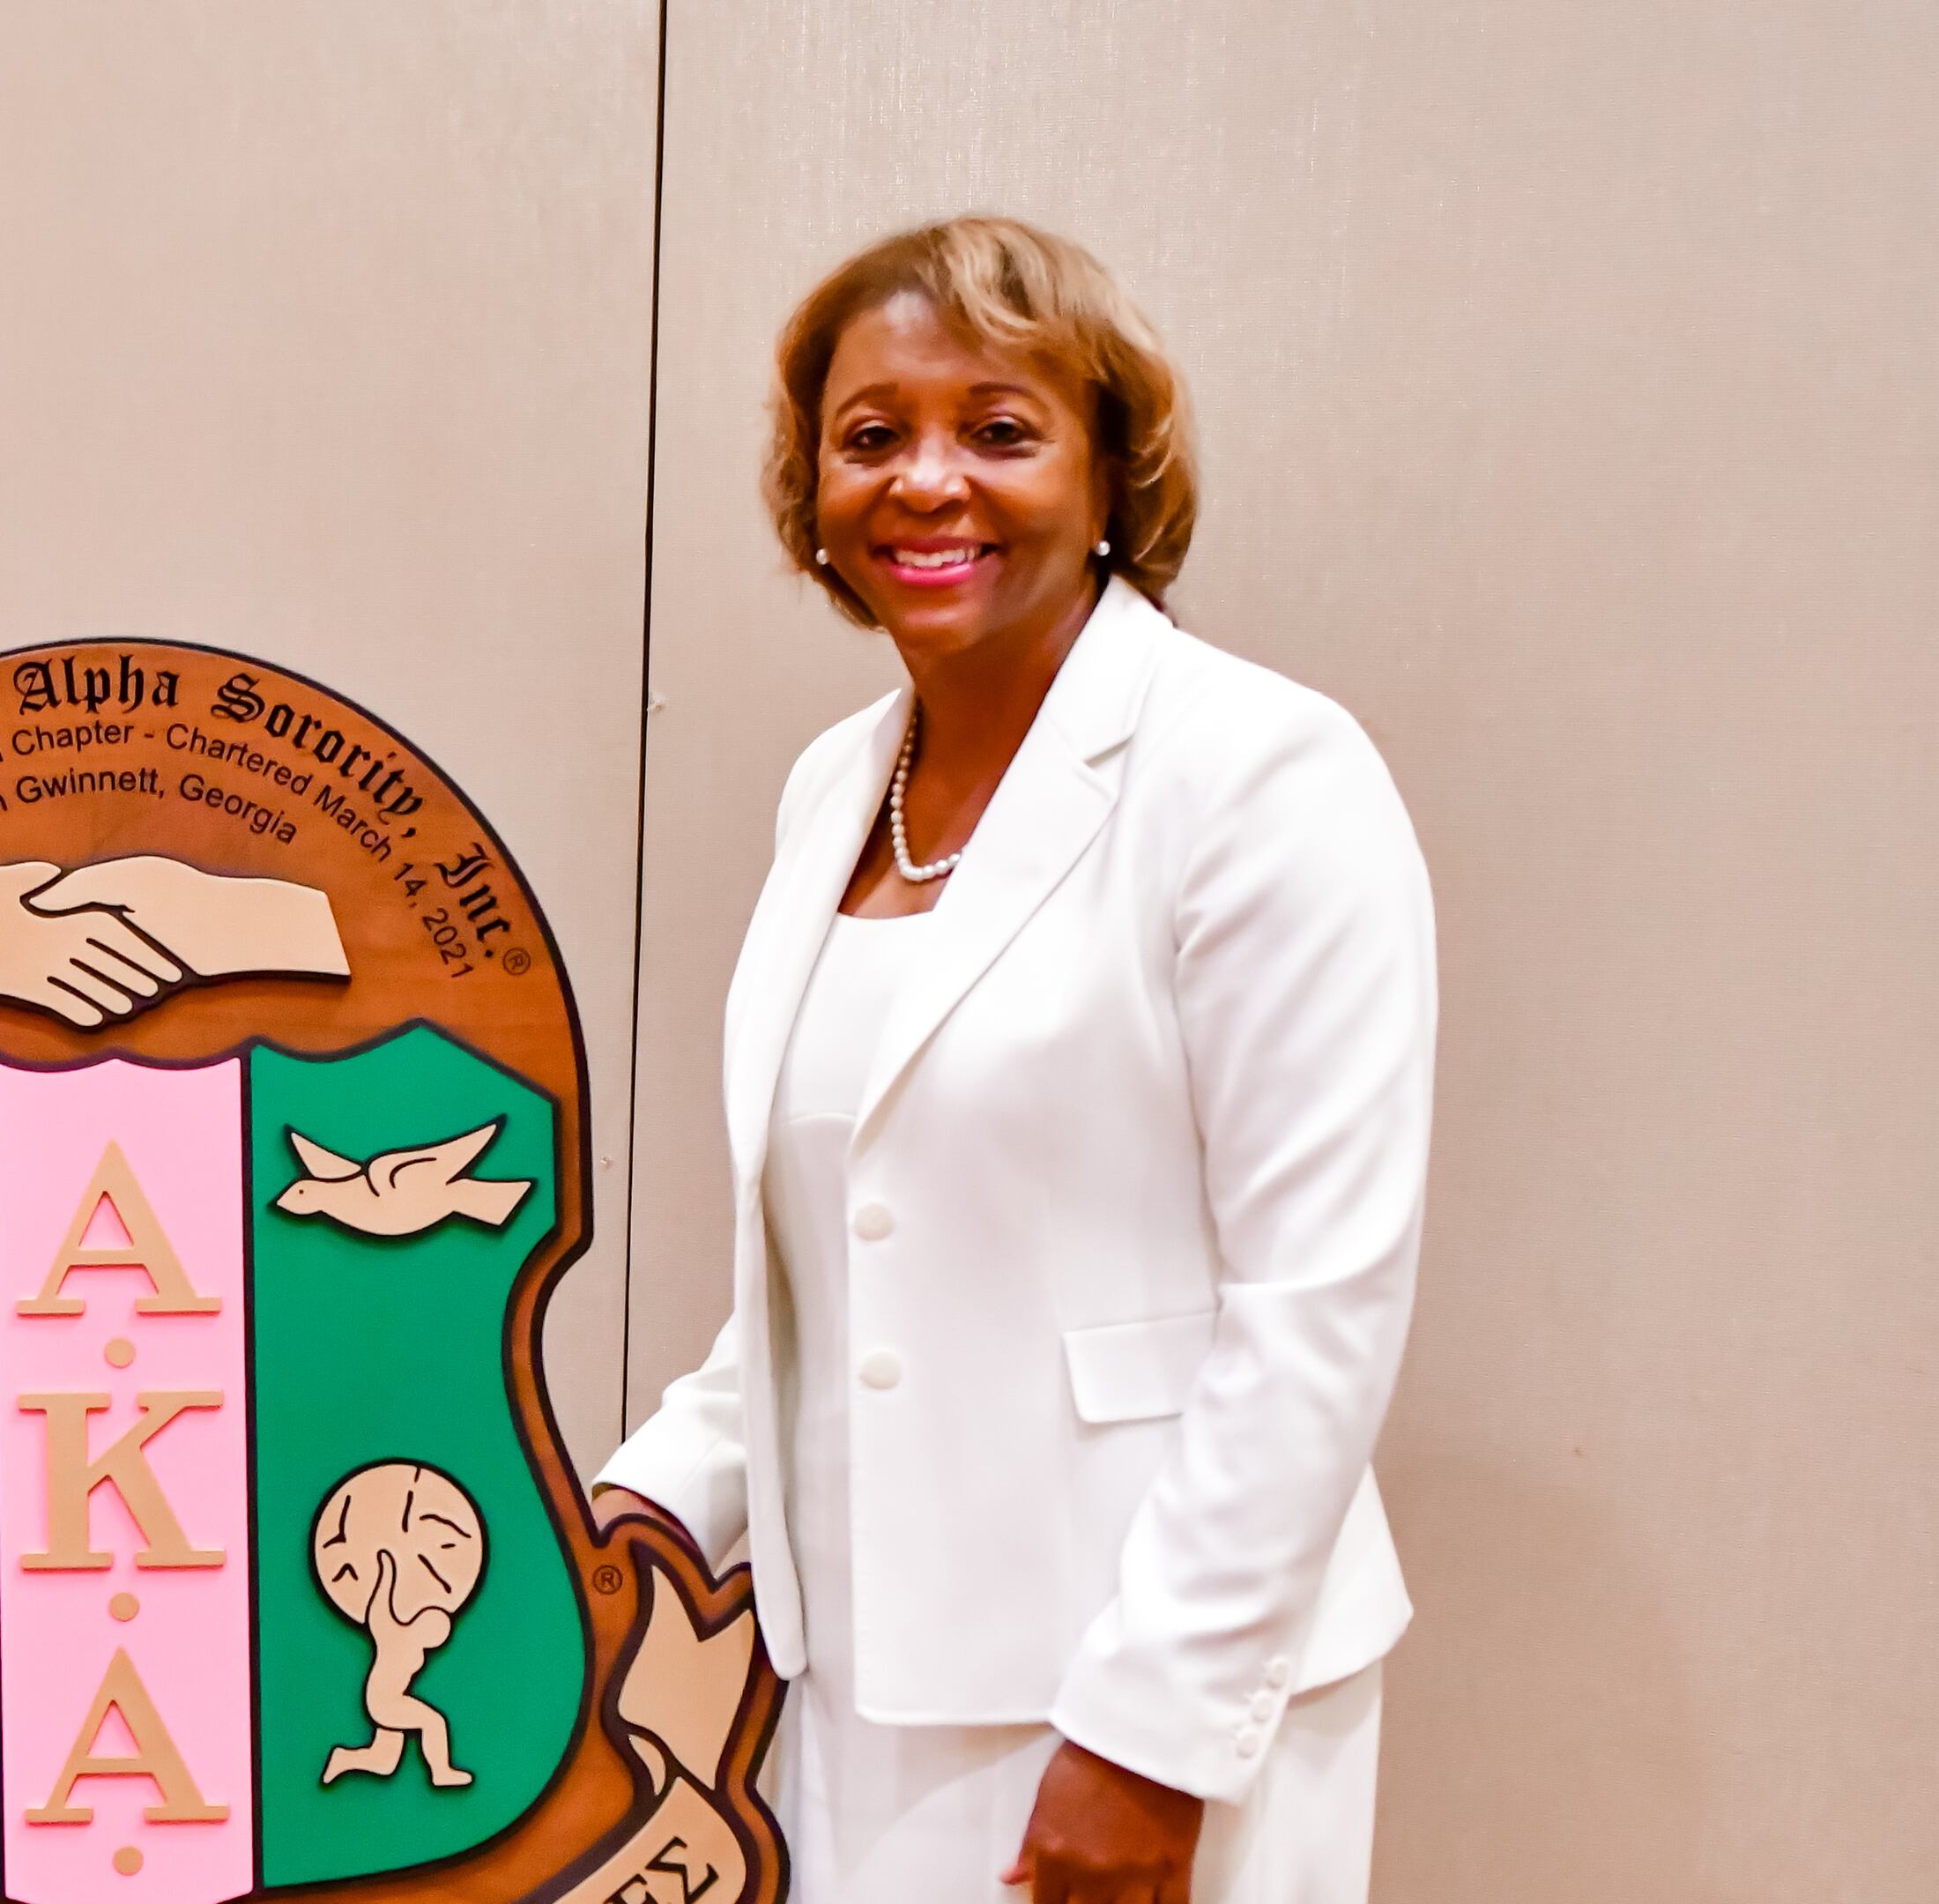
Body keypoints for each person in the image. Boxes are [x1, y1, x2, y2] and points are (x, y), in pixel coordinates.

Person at [594, 218, 1432, 1904]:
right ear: (810, 494)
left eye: (998, 428)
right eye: (871, 436)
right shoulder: (834, 789)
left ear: (1113, 471)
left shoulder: (1262, 772)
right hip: (861, 1696)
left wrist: (1153, 1742)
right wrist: (622, 1528)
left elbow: (1317, 1307)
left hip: (1143, 1697)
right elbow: (822, 1280)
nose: (927, 482)